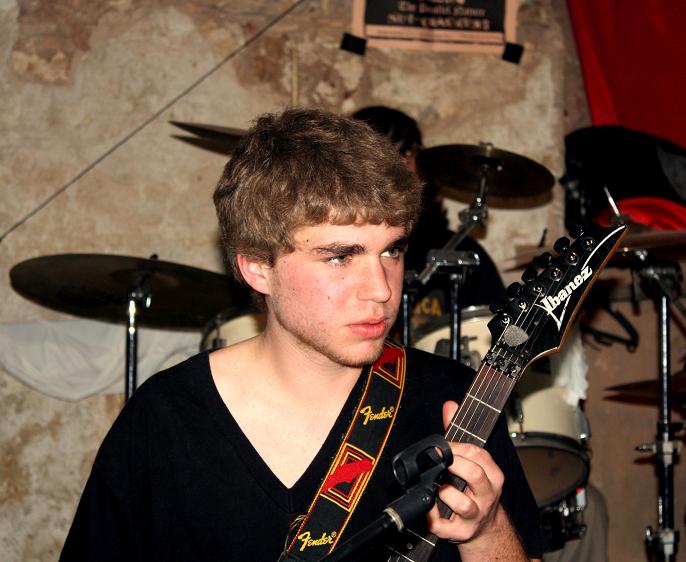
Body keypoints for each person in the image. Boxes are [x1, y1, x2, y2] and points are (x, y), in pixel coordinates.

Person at [59, 108, 546, 561]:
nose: (381, 289)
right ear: (257, 267)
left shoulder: (456, 401)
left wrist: (486, 531)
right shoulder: (165, 419)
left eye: (392, 251)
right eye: (341, 256)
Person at [351, 106, 506, 331]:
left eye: (409, 153)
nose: (402, 166)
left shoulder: (459, 251)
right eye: (387, 154)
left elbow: (500, 330)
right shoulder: (338, 249)